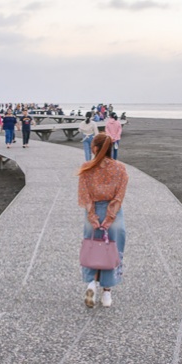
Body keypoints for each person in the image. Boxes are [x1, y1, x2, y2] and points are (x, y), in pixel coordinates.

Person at [77, 132, 128, 308]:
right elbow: (119, 196)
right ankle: (107, 293)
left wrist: (92, 216)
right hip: (113, 214)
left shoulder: (87, 168)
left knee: (92, 247)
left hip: (94, 211)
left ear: (96, 148)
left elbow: (85, 195)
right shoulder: (120, 168)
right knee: (112, 249)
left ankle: (91, 283)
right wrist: (110, 217)